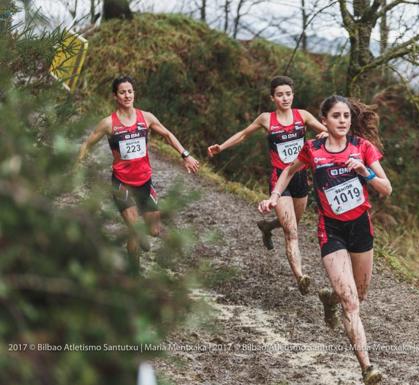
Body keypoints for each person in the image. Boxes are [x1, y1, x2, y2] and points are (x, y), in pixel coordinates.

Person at [258, 95, 391, 385]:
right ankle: (367, 367)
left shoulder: (362, 147)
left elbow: (387, 188)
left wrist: (364, 171)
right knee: (352, 304)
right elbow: (288, 170)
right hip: (330, 231)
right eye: (336, 116)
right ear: (325, 120)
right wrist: (274, 197)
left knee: (359, 294)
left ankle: (330, 298)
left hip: (360, 229)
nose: (342, 121)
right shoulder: (313, 149)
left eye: (346, 116)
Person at [207, 75, 327, 295]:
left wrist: (324, 134)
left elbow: (328, 131)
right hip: (280, 180)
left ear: (293, 95)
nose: (285, 98)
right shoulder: (266, 119)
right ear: (273, 97)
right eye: (280, 95)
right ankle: (301, 277)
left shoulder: (303, 116)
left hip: (301, 178)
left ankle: (268, 227)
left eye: (288, 94)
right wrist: (221, 147)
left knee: (290, 224)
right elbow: (243, 134)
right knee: (291, 232)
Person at [78, 75, 200, 272]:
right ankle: (134, 276)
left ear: (134, 93)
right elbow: (87, 143)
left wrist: (185, 155)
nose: (127, 95)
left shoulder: (147, 118)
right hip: (121, 183)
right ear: (115, 96)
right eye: (122, 92)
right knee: (134, 230)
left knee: (154, 231)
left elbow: (168, 134)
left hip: (144, 183)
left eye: (130, 91)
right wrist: (78, 163)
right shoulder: (109, 123)